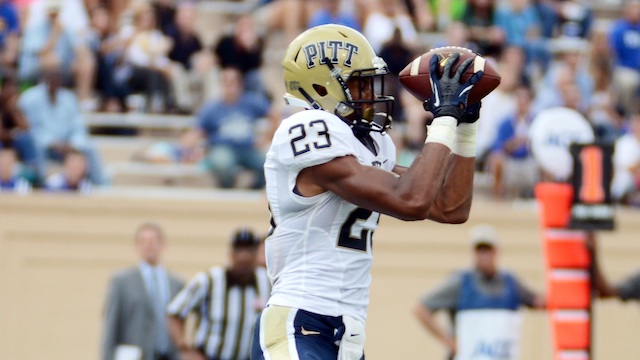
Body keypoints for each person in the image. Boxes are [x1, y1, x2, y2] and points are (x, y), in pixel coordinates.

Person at [252, 24, 485, 360]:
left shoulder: (368, 144)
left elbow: (451, 207)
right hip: (300, 322)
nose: (372, 93)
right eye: (360, 84)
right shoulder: (304, 128)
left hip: (347, 336)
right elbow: (412, 200)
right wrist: (444, 118)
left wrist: (465, 126)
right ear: (321, 87)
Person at [413, 225, 545, 360]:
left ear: (496, 251)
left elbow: (538, 301)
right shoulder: (460, 282)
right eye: (480, 250)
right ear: (473, 252)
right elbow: (421, 308)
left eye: (488, 249)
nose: (484, 255)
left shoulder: (511, 283)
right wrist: (449, 342)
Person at [167, 228, 270, 360]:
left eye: (249, 250)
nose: (244, 256)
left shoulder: (266, 282)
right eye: (239, 250)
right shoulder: (209, 280)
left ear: (256, 254)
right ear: (230, 254)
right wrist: (185, 349)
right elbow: (174, 312)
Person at [102, 222, 185, 360]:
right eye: (143, 241)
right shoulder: (122, 282)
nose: (149, 245)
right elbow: (111, 325)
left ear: (162, 245)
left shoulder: (176, 283)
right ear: (137, 246)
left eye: (153, 241)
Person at [18, 67, 106, 185]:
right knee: (35, 146)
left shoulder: (69, 98)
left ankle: (101, 185)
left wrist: (73, 143)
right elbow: (30, 129)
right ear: (44, 81)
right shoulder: (30, 99)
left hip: (68, 145)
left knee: (89, 148)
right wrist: (53, 143)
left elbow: (78, 126)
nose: (54, 85)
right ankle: (42, 184)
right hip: (45, 146)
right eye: (51, 81)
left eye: (57, 81)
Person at [195, 67, 275, 189]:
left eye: (232, 83)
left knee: (268, 164)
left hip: (248, 148)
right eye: (226, 83)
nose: (229, 87)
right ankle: (228, 188)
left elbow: (274, 114)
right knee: (221, 163)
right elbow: (199, 130)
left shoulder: (250, 101)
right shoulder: (212, 107)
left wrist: (266, 138)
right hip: (222, 147)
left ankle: (252, 189)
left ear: (240, 84)